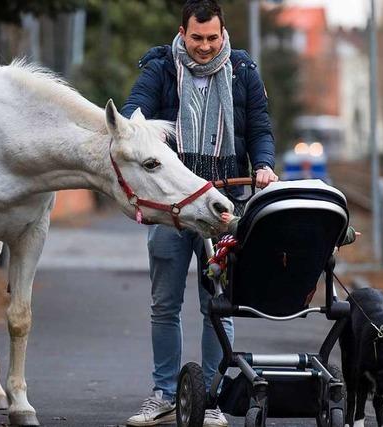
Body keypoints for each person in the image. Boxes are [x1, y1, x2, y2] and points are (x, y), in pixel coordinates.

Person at [121, 1, 278, 426]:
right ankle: (165, 394)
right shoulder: (160, 68)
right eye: (197, 38)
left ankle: (211, 399)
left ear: (223, 33)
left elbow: (260, 129)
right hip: (172, 208)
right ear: (182, 32)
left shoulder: (243, 72)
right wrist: (131, 123)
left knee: (220, 306)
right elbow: (136, 113)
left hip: (225, 206)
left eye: (213, 38)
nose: (205, 47)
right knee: (164, 304)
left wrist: (262, 164)